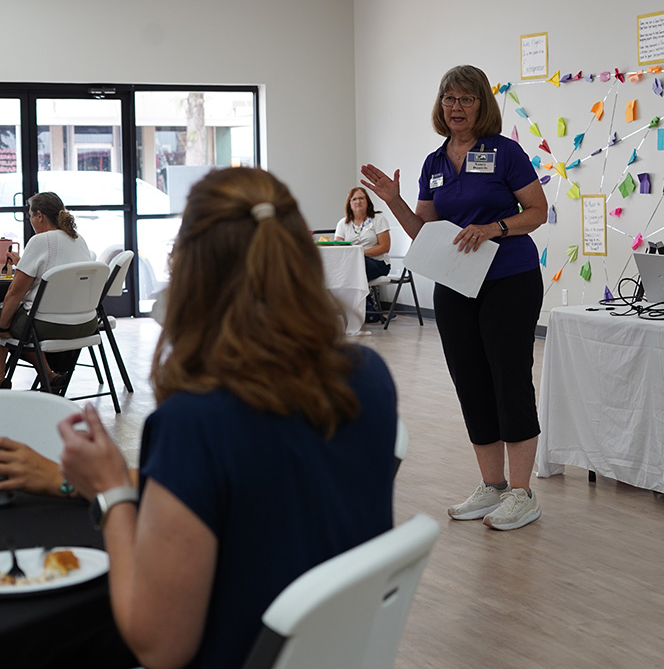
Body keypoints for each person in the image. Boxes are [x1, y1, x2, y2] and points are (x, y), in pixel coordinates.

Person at [58, 167, 398, 669]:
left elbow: (159, 645)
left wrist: (110, 492)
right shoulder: (368, 378)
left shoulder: (193, 422)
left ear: (190, 270)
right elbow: (263, 489)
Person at [362, 64, 547, 532]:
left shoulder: (505, 153)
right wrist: (392, 200)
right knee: (471, 380)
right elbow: (424, 231)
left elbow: (538, 212)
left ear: (483, 105)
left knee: (510, 379)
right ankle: (493, 486)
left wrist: (494, 228)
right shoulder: (434, 162)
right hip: (455, 283)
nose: (456, 107)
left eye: (466, 99)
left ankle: (523, 493)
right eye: (449, 99)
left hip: (509, 278)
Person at [0, 191, 94, 392]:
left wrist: (2, 327)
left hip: (48, 326)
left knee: (3, 324)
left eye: (30, 216)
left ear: (40, 215)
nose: (31, 221)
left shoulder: (40, 241)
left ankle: (1, 382)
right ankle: (49, 375)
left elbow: (14, 293)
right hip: (86, 323)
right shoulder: (78, 239)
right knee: (21, 326)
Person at [334, 186, 392, 281]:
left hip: (377, 263)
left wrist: (359, 253)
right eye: (354, 199)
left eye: (361, 198)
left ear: (367, 201)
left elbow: (385, 247)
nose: (358, 202)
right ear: (349, 204)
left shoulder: (378, 219)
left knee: (353, 266)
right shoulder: (342, 223)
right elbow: (338, 248)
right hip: (352, 263)